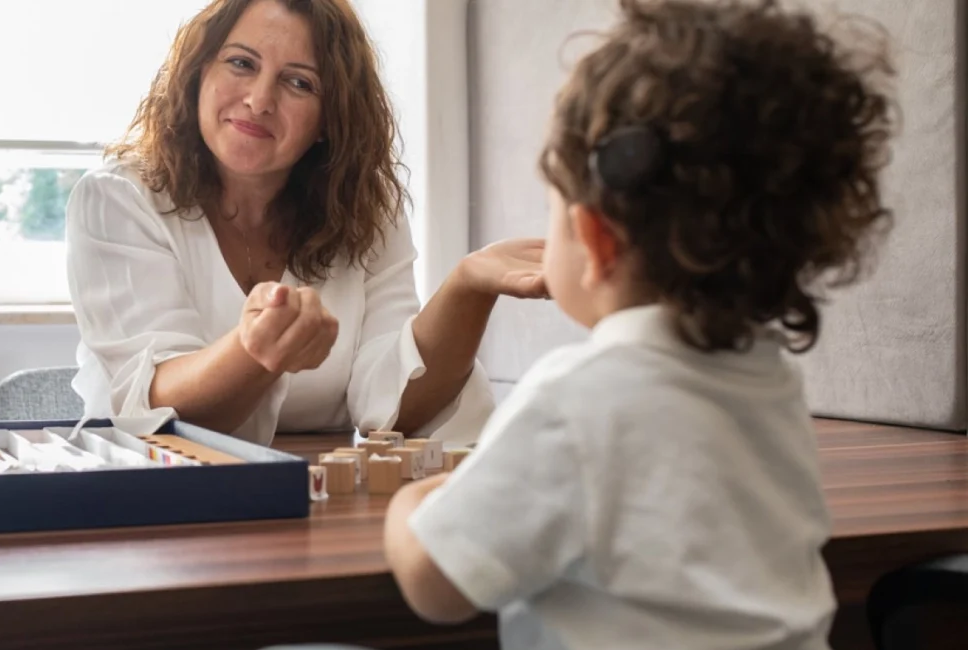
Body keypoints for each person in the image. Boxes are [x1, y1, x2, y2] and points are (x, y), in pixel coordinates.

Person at [383, 1, 896, 649]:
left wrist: (411, 503)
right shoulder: (771, 383)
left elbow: (436, 584)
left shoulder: (575, 398)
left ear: (595, 240)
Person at [65, 0, 546, 446]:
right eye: (241, 63)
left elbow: (395, 408)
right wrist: (253, 352)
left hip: (316, 508)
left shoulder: (366, 213)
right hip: (147, 502)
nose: (258, 100)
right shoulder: (118, 198)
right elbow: (155, 398)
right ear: (197, 74)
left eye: (298, 82)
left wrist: (467, 288)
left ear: (329, 120)